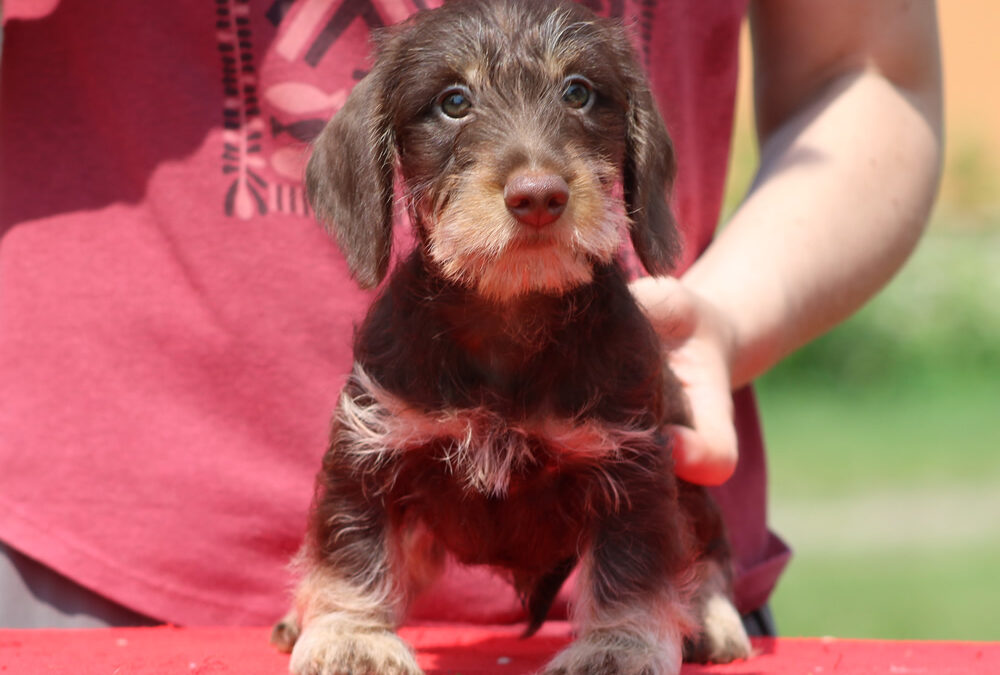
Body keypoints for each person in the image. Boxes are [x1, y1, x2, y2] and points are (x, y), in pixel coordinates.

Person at [0, 0, 941, 632]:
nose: (532, 176)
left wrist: (729, 315)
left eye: (583, 97)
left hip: (650, 611)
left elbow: (868, 74)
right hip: (91, 570)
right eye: (452, 106)